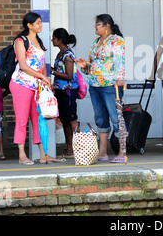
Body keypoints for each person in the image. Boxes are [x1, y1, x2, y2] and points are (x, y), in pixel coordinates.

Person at [75, 14, 126, 163]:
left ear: (107, 26)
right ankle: (102, 152)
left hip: (110, 84)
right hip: (95, 84)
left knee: (116, 116)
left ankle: (122, 152)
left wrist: (120, 79)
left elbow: (119, 62)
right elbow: (92, 65)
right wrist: (85, 66)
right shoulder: (95, 42)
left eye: (98, 24)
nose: (95, 27)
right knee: (100, 118)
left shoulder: (117, 41)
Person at [9, 12, 59, 165]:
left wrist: (44, 80)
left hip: (36, 86)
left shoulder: (39, 41)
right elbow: (23, 66)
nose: (40, 25)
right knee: (22, 119)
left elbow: (42, 63)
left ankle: (44, 154)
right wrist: (42, 76)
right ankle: (22, 154)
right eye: (37, 23)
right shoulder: (20, 41)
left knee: (38, 119)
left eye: (40, 22)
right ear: (29, 25)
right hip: (21, 84)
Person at [51, 28, 78, 159]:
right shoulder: (60, 53)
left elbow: (68, 75)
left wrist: (52, 72)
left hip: (68, 91)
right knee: (64, 120)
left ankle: (76, 149)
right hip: (60, 91)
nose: (52, 40)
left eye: (54, 38)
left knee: (71, 119)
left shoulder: (67, 55)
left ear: (60, 40)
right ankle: (69, 148)